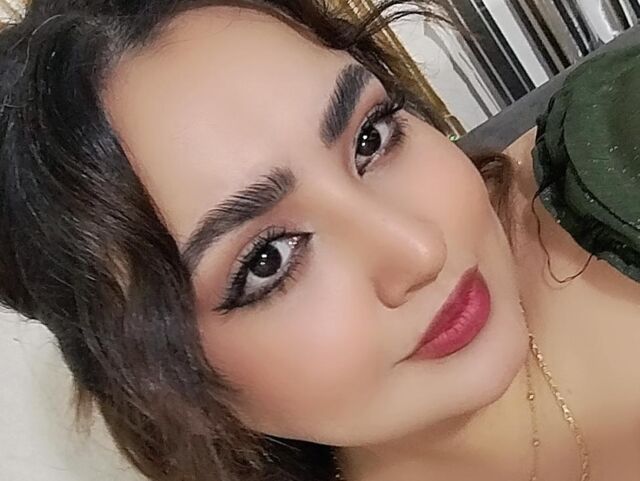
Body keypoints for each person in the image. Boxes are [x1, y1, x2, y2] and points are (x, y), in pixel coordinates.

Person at [0, 1, 638, 481]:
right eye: (267, 260)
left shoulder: (610, 168)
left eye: (371, 138)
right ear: (150, 381)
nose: (420, 251)